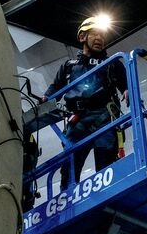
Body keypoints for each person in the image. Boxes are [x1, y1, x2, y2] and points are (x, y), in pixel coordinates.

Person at [43, 15, 129, 190]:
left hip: (104, 117)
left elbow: (125, 84)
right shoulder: (69, 66)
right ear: (82, 37)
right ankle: (67, 202)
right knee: (69, 169)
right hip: (78, 120)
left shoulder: (112, 63)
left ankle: (106, 198)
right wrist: (45, 99)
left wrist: (128, 91)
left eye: (102, 35)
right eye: (94, 34)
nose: (99, 39)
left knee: (107, 169)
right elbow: (54, 90)